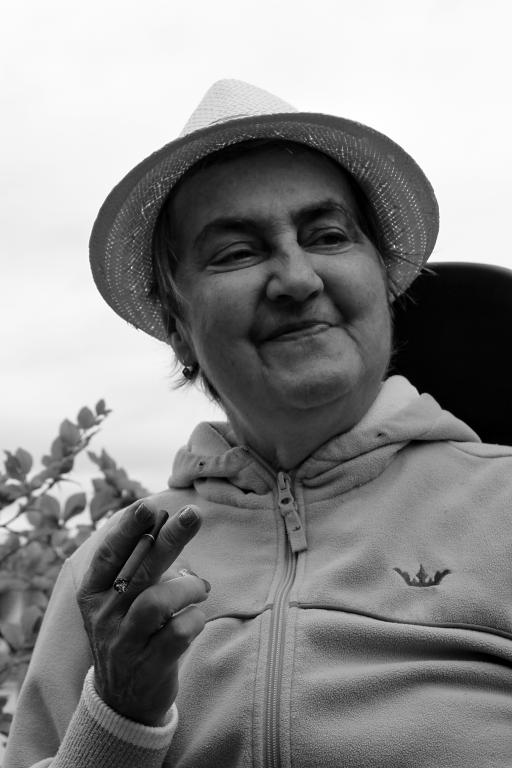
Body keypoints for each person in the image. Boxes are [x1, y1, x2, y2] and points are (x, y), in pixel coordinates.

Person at [5, 79, 512, 768]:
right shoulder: (111, 579)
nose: (298, 279)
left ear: (385, 282)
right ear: (178, 328)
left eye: (327, 236)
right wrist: (117, 718)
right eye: (237, 252)